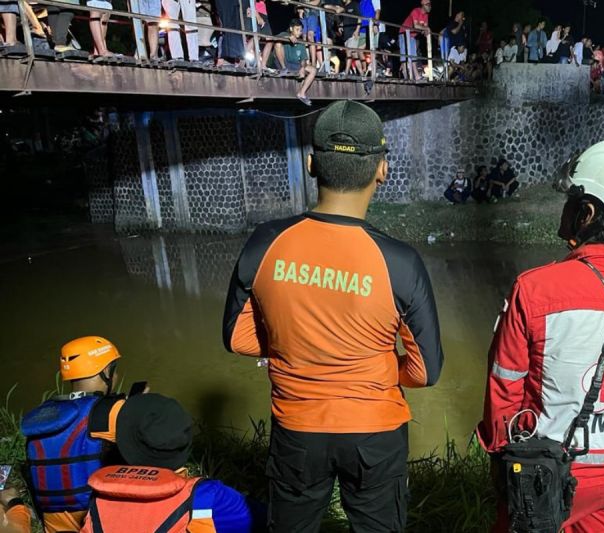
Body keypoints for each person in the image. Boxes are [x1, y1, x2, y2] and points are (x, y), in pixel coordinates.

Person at [222, 100, 444, 532]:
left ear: (310, 164)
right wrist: (375, 366)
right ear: (381, 168)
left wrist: (294, 347)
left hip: (296, 430)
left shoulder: (266, 243)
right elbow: (425, 371)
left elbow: (237, 337)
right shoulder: (399, 262)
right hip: (375, 435)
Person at [478, 138, 604, 533]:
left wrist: (498, 456)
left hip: (545, 471)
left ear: (586, 213)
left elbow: (505, 386)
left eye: (572, 199)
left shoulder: (535, 289)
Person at [80, 394, 267, 533]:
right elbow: (267, 519)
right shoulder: (207, 495)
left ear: (123, 443)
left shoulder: (100, 495)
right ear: (185, 443)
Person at [20, 336, 128, 533]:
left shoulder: (44, 413)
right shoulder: (112, 411)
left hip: (53, 524)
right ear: (106, 372)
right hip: (98, 519)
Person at [274, 19, 317, 106]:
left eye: (300, 30)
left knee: (313, 70)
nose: (299, 32)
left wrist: (302, 67)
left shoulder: (301, 43)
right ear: (291, 29)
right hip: (284, 63)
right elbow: (275, 38)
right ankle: (283, 68)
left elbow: (303, 60)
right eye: (297, 30)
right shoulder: (284, 35)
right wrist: (288, 38)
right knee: (278, 44)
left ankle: (302, 93)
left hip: (294, 65)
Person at [399, 0, 431, 81]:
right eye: (428, 4)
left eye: (430, 4)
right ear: (423, 5)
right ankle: (406, 75)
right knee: (405, 56)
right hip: (404, 33)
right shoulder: (416, 11)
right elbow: (416, 26)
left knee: (413, 56)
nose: (430, 6)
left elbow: (425, 29)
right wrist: (426, 29)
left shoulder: (426, 16)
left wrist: (425, 31)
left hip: (412, 35)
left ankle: (416, 76)